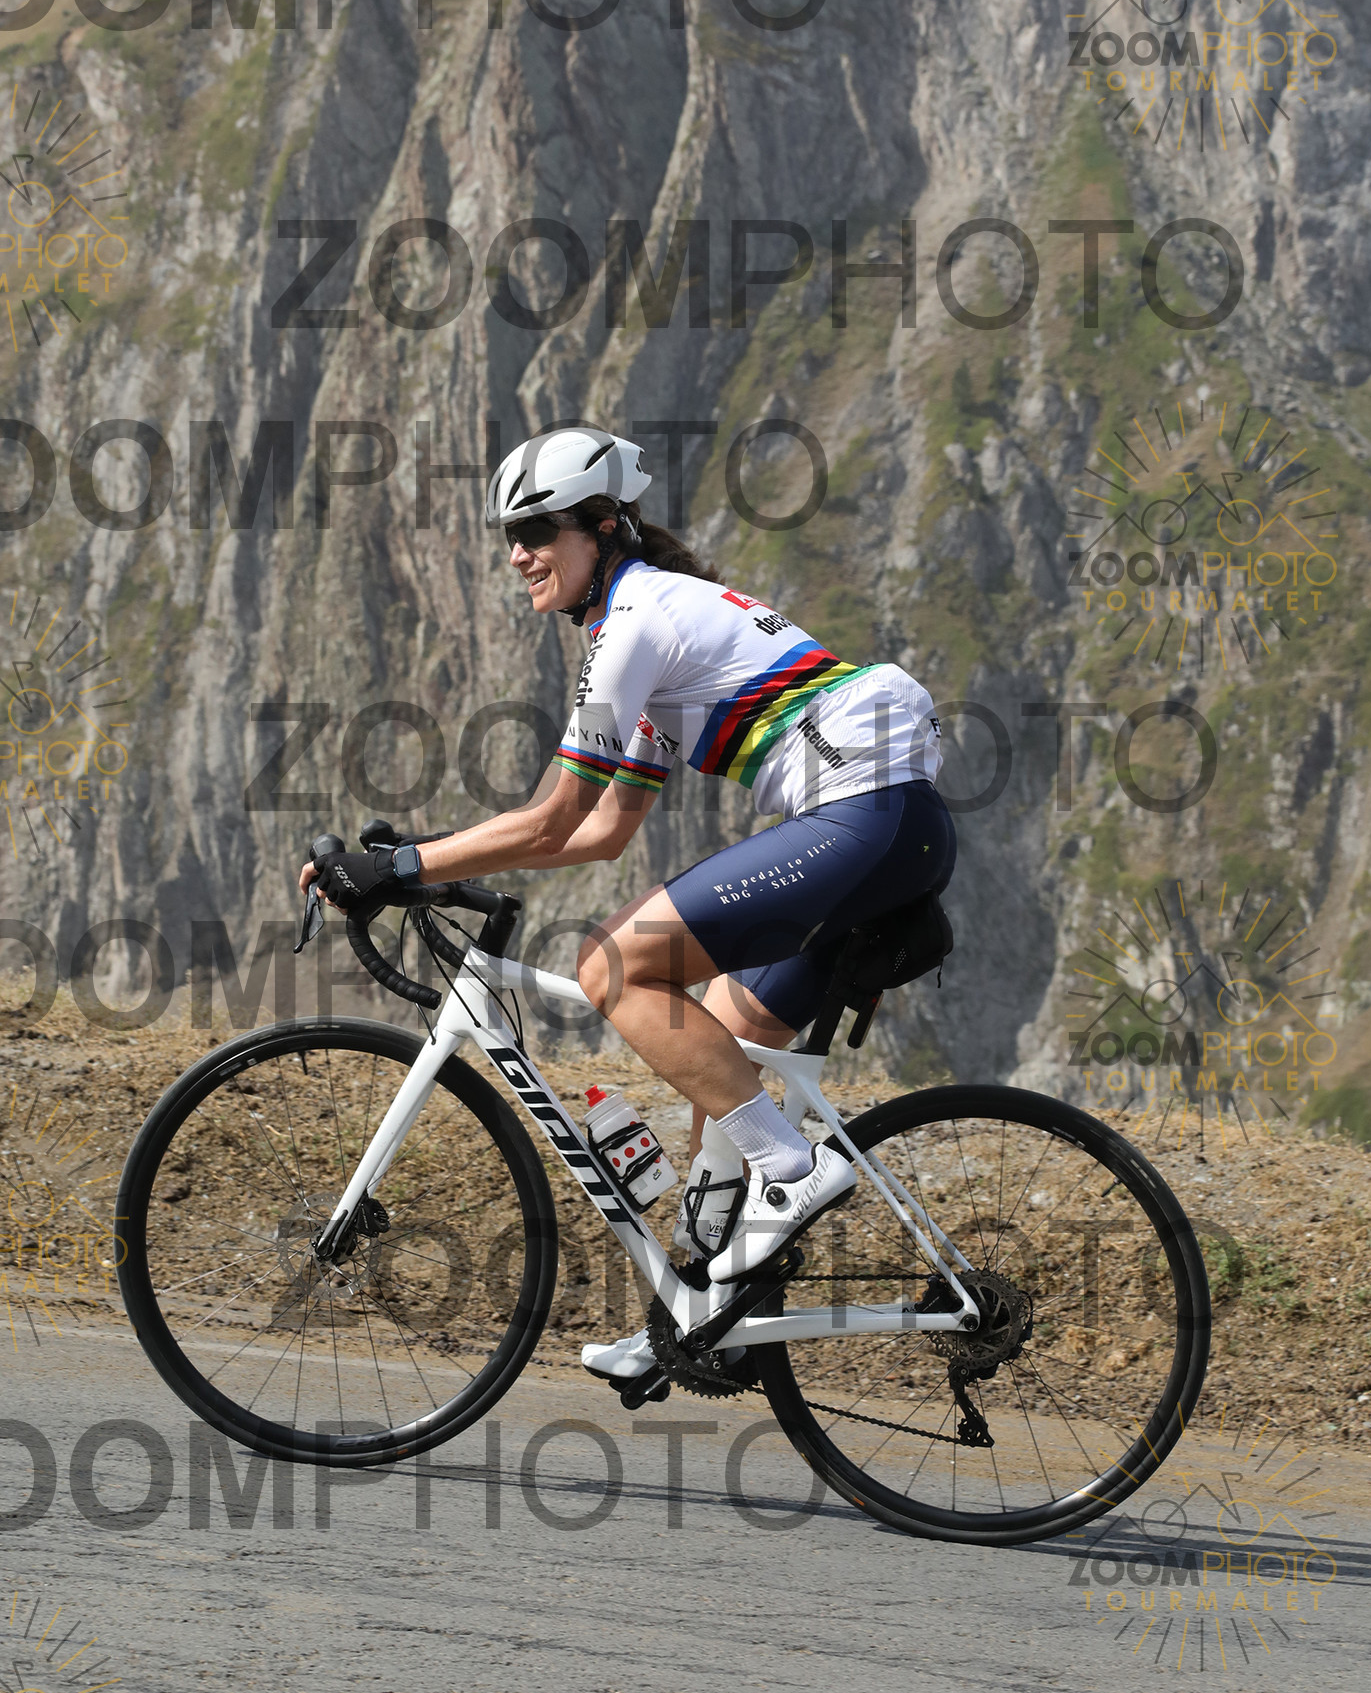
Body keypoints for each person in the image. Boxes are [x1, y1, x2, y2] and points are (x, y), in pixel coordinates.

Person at [301, 425, 955, 1388]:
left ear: (603, 528)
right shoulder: (654, 638)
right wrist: (425, 867)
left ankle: (794, 1172)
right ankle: (703, 1311)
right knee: (718, 1038)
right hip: (890, 826)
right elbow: (601, 829)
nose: (519, 554)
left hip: (867, 814)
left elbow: (553, 816)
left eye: (539, 531)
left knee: (613, 965)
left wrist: (399, 865)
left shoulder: (635, 620)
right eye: (510, 536)